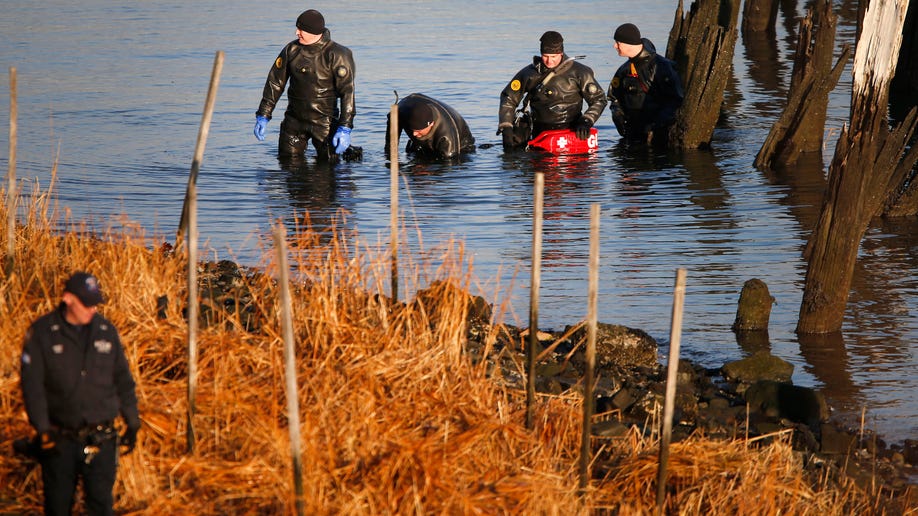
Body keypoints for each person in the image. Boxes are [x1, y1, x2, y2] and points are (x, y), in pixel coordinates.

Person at [19, 272, 141, 516]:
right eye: (86, 303)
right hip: (60, 439)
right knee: (58, 505)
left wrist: (132, 420)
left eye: (95, 303)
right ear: (68, 299)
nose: (92, 309)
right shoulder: (42, 333)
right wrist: (42, 430)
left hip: (102, 439)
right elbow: (32, 387)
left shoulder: (106, 331)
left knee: (101, 506)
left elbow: (123, 380)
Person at [254, 9, 358, 162]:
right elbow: (275, 83)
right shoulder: (291, 50)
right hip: (293, 122)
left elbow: (347, 93)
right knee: (287, 165)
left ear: (313, 31)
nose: (297, 33)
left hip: (325, 124)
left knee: (328, 172)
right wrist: (263, 114)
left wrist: (345, 127)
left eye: (301, 29)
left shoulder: (338, 54)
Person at [498, 31, 607, 151]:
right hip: (540, 134)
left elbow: (599, 99)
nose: (549, 61)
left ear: (561, 53)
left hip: (572, 132)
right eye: (545, 56)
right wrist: (506, 126)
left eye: (553, 57)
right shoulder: (529, 74)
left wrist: (586, 120)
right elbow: (508, 98)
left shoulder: (580, 72)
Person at [607, 23, 684, 145]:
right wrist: (618, 117)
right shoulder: (623, 71)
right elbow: (614, 98)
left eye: (618, 42)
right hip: (632, 133)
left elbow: (676, 99)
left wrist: (654, 125)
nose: (615, 46)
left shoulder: (662, 66)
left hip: (658, 135)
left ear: (629, 43)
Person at [385, 93, 476, 160]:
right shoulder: (399, 114)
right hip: (407, 107)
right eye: (412, 129)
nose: (414, 133)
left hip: (462, 146)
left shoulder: (446, 134)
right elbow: (390, 144)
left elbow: (449, 166)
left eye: (418, 130)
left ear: (431, 124)